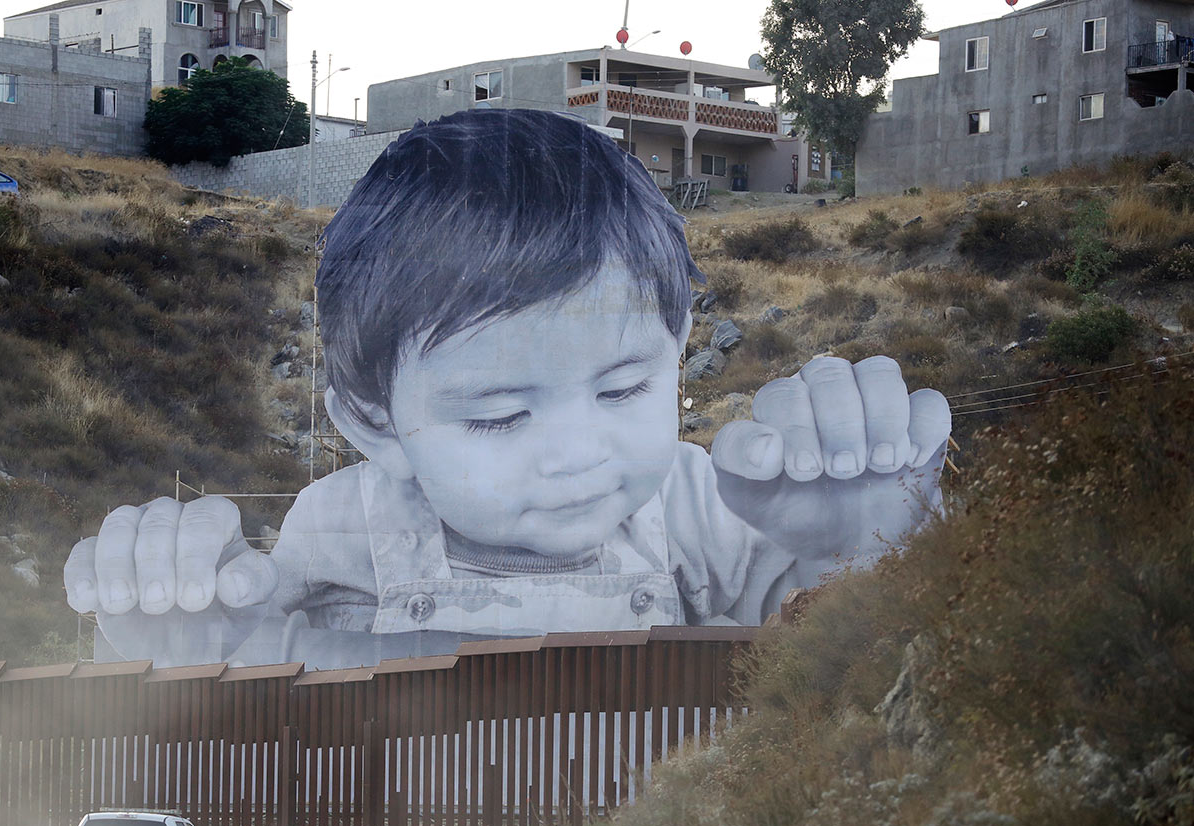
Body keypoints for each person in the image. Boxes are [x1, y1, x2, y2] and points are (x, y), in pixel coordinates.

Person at [63, 109, 950, 669]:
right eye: (498, 416)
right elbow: (267, 686)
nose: (577, 453)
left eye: (623, 390)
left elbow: (848, 665)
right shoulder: (340, 531)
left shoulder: (704, 510)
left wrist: (861, 539)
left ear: (678, 349)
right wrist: (174, 645)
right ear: (376, 424)